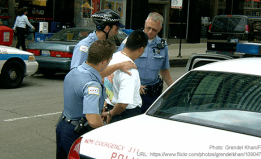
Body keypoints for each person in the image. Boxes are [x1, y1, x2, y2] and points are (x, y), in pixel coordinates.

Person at [56, 40, 115, 159]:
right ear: (104, 62)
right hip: (76, 132)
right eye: (109, 61)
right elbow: (92, 120)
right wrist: (105, 130)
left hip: (63, 126)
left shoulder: (75, 71)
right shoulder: (92, 84)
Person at [117, 12, 173, 113]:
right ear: (145, 23)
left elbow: (164, 70)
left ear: (160, 29)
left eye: (154, 30)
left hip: (152, 93)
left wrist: (173, 88)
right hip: (133, 91)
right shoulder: (132, 40)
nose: (150, 32)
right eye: (148, 28)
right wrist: (135, 83)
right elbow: (117, 62)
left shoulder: (162, 46)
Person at [71, 9, 135, 77]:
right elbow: (77, 74)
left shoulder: (104, 44)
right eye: (116, 29)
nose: (117, 33)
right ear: (107, 28)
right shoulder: (85, 46)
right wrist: (119, 66)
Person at [102, 30, 148, 124]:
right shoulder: (130, 69)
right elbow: (123, 105)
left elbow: (106, 82)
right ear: (141, 49)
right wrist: (110, 114)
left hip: (111, 106)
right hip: (124, 115)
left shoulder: (113, 58)